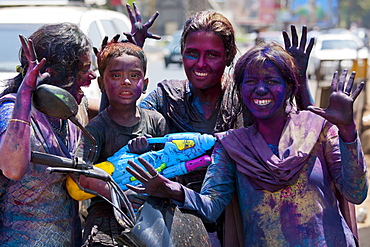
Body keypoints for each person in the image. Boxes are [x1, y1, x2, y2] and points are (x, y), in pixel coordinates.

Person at [126, 42, 368, 246]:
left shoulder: (318, 129)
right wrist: (170, 189)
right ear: (240, 90)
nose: (260, 89)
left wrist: (348, 131)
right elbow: (211, 206)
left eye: (272, 81)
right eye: (250, 82)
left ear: (289, 88)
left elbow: (356, 193)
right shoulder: (233, 146)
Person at [138, 9, 313, 245]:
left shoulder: (245, 95)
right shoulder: (166, 98)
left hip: (243, 221)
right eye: (192, 53)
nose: (200, 64)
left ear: (229, 56)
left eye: (212, 55)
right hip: (176, 224)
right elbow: (127, 120)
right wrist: (133, 55)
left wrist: (298, 80)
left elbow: (304, 133)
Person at [0, 23, 96, 246]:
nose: (91, 76)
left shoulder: (69, 109)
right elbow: (13, 168)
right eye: (83, 69)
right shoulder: (11, 111)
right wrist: (25, 94)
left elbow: (114, 113)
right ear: (54, 74)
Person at [75, 40, 168, 247]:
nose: (126, 82)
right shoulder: (97, 129)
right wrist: (118, 195)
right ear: (101, 84)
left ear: (144, 84)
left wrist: (147, 157)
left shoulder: (155, 122)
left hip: (150, 210)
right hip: (106, 215)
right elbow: (81, 177)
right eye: (116, 75)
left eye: (134, 76)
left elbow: (170, 168)